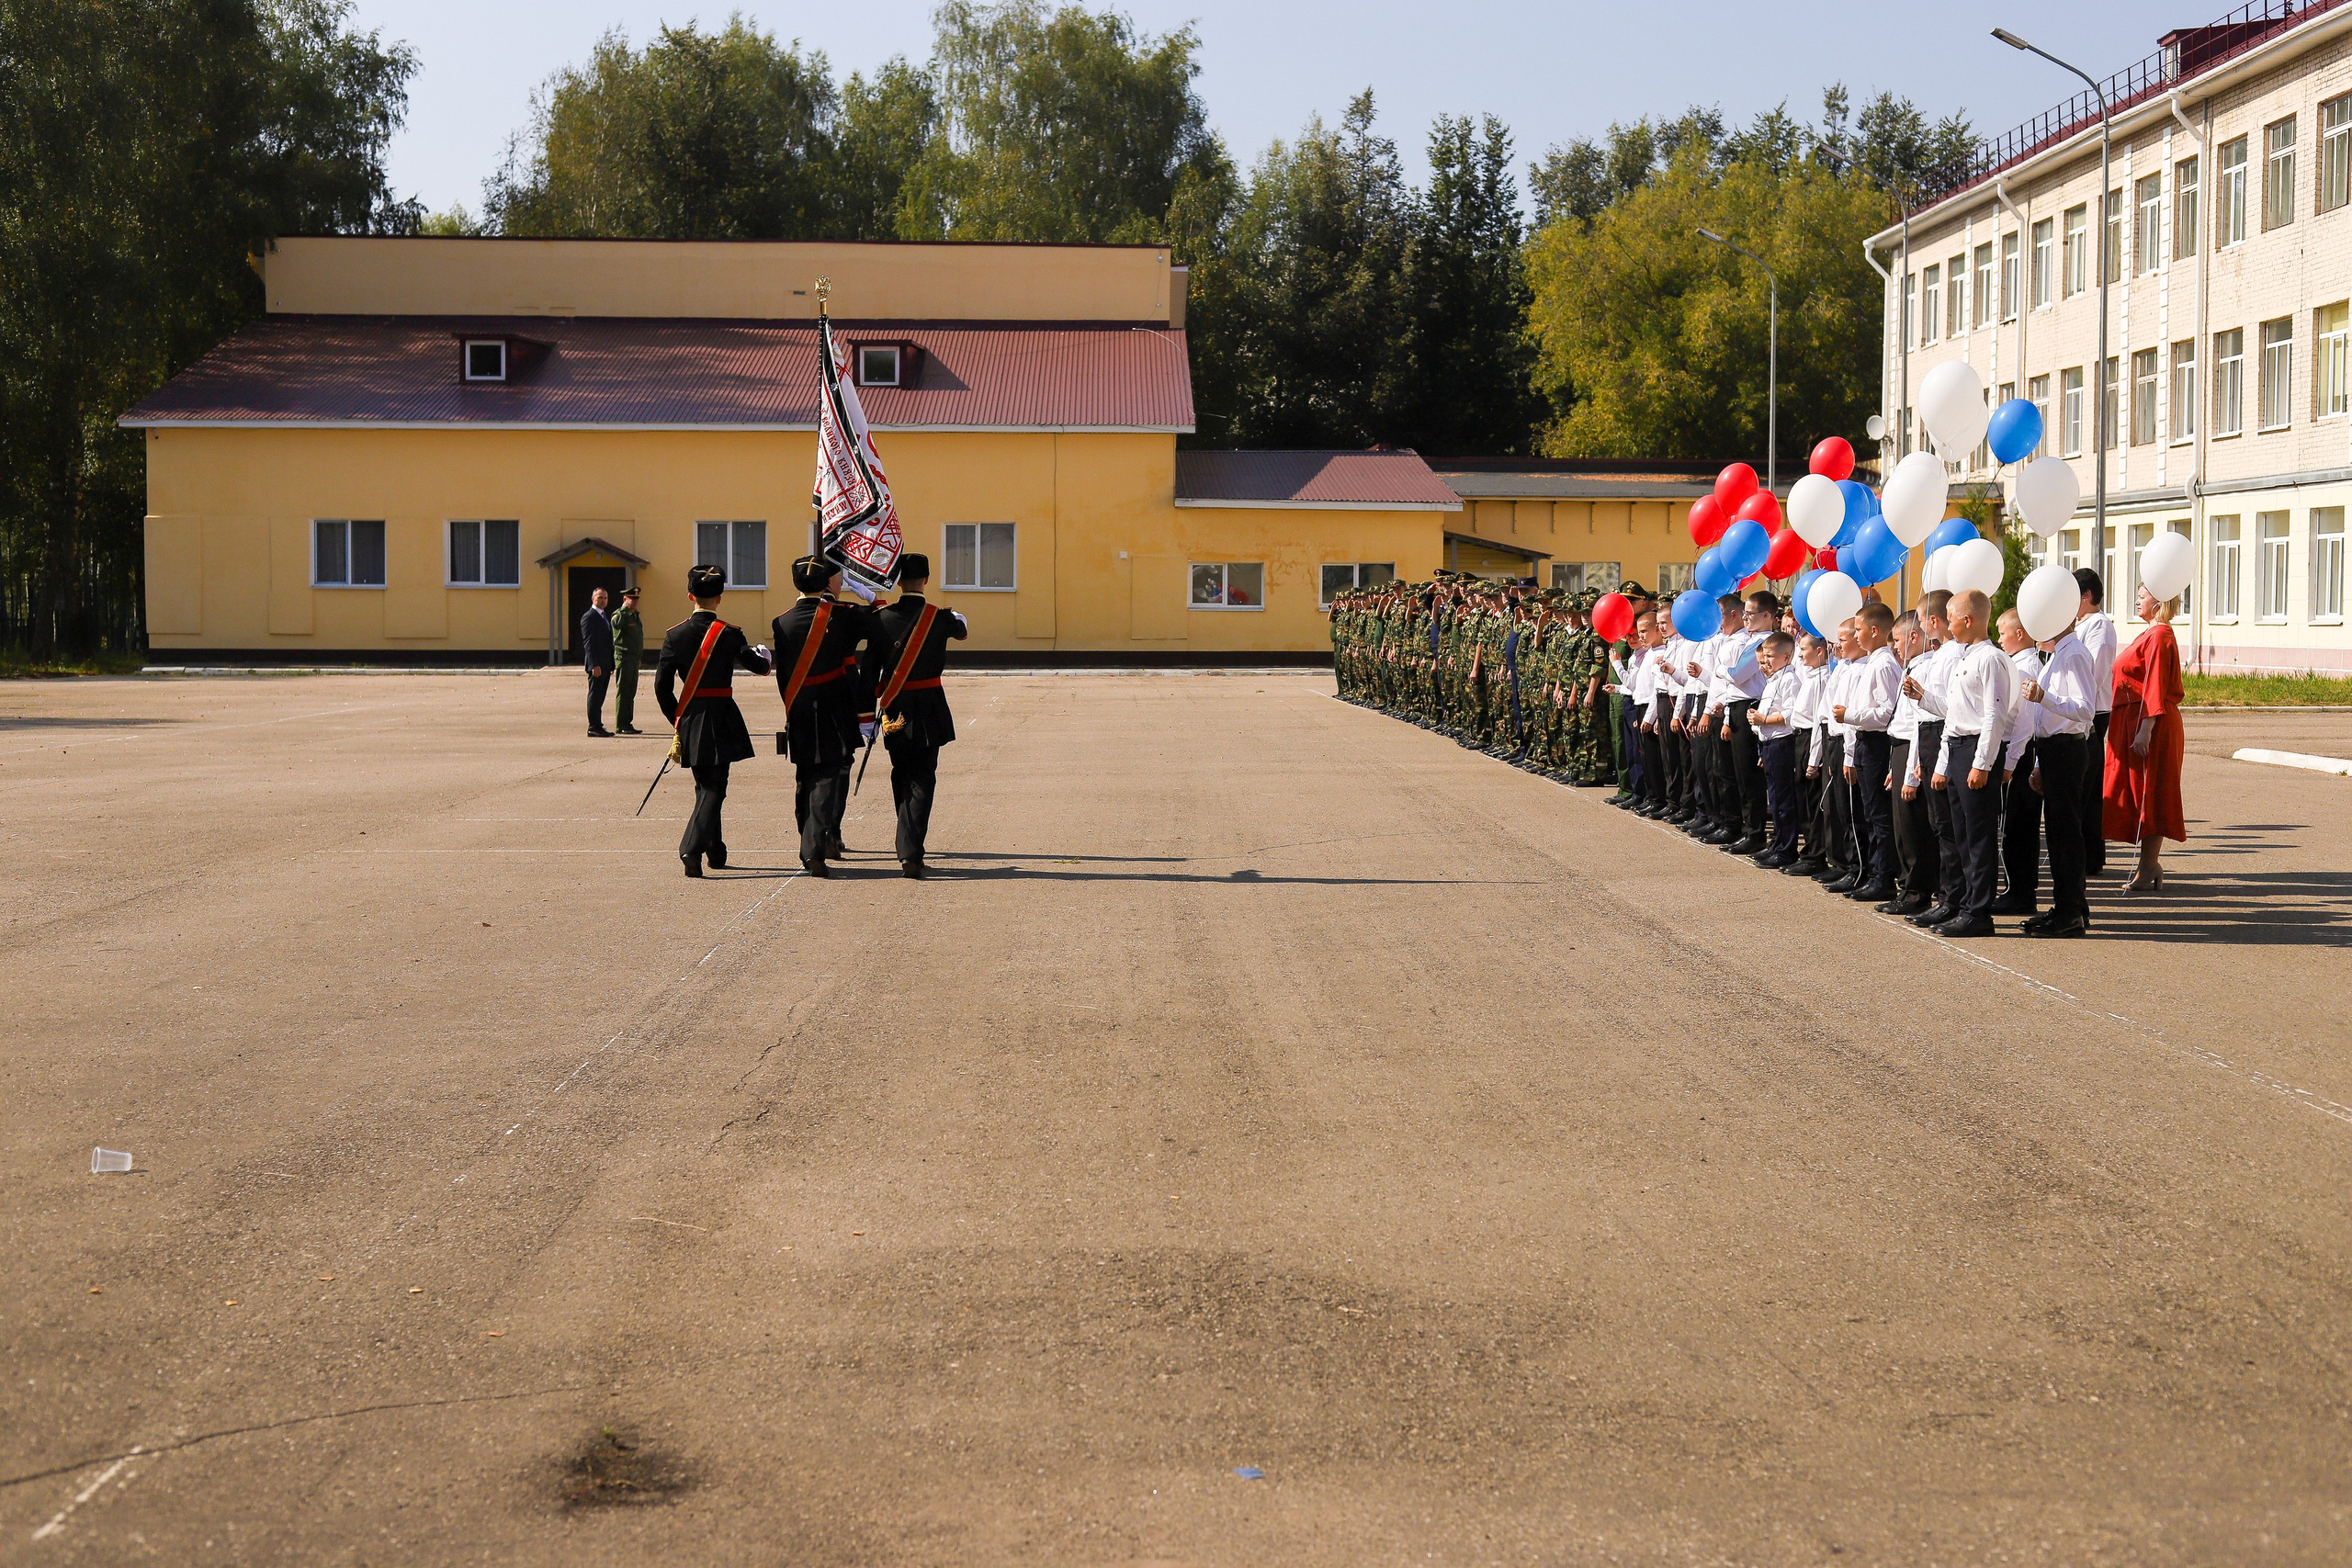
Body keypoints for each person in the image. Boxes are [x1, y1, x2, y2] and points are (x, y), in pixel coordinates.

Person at [654, 565, 774, 877]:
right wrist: (766, 658)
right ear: (719, 598)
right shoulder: (730, 633)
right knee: (714, 788)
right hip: (721, 713)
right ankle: (691, 849)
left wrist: (677, 720)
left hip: (692, 715)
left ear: (690, 595)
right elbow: (759, 667)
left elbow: (662, 687)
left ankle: (715, 850)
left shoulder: (674, 635)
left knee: (706, 785)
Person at [771, 556, 881, 878]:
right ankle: (817, 845)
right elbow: (881, 620)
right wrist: (871, 595)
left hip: (800, 707)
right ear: (827, 583)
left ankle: (810, 835)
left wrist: (790, 706)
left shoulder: (782, 621)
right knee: (830, 776)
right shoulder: (843, 615)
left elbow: (784, 675)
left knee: (805, 775)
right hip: (835, 706)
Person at [1926, 588, 2017, 937]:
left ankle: (1979, 913)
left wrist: (1982, 763)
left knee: (1979, 837)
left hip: (1977, 749)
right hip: (1958, 748)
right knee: (1961, 834)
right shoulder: (1965, 657)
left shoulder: (1990, 659)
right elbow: (1955, 716)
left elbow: (1994, 716)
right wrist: (1943, 764)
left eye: (1952, 617)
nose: (1948, 624)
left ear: (1969, 619)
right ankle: (1965, 904)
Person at [873, 554, 969, 878]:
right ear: (926, 580)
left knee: (901, 771)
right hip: (929, 706)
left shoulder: (882, 618)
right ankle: (911, 850)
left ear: (898, 580)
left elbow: (869, 668)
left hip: (895, 706)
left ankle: (907, 843)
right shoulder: (940, 618)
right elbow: (961, 630)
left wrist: (863, 713)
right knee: (924, 776)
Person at [2104, 581, 2187, 893]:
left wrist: (2146, 730)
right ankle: (2148, 866)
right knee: (2143, 794)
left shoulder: (2161, 635)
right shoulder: (2150, 633)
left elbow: (2155, 683)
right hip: (2138, 719)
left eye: (2143, 595)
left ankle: (2148, 867)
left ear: (2160, 599)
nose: (2137, 599)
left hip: (2150, 723)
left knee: (2152, 793)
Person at [2019, 604, 2097, 937]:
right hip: (2053, 750)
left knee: (2065, 834)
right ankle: (2070, 906)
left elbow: (2084, 709)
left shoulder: (2074, 653)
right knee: (2057, 832)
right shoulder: (2057, 654)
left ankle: (2070, 912)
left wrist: (2043, 696)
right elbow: (2045, 722)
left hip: (2067, 750)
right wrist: (2039, 763)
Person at [1836, 602, 1902, 902]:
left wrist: (1850, 715)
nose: (1856, 636)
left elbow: (1886, 713)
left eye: (1859, 630)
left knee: (1879, 815)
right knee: (1870, 813)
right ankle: (1875, 872)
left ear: (1875, 631)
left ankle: (1884, 877)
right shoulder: (1873, 661)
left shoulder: (1885, 664)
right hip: (1864, 741)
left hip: (1877, 743)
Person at [1992, 609, 2047, 918]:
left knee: (2018, 826)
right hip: (2016, 750)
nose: (1999, 639)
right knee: (2013, 826)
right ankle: (2016, 888)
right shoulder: (2017, 664)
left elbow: (2025, 723)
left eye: (2003, 633)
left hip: (2020, 752)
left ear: (2020, 634)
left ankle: (2021, 892)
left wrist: (2011, 762)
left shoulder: (2025, 668)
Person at [2072, 569, 2117, 877]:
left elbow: (2094, 672)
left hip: (2092, 713)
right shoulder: (2080, 624)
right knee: (2081, 787)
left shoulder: (2099, 626)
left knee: (2087, 788)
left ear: (2086, 596)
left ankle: (2090, 856)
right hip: (2078, 710)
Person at [1747, 631, 1804, 868]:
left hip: (1783, 742)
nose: (1766, 662)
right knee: (1776, 798)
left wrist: (1764, 720)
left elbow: (1791, 714)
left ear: (1787, 656)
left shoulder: (1790, 679)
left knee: (1784, 799)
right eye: (1765, 656)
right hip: (1770, 743)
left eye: (1771, 656)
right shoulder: (1773, 680)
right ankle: (1777, 843)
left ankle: (1786, 849)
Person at [581, 585, 615, 738]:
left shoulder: (603, 616)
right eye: (600, 597)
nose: (603, 600)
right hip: (597, 665)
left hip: (605, 664)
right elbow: (589, 643)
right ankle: (593, 726)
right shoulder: (589, 617)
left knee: (600, 696)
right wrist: (594, 664)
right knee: (595, 696)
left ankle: (598, 724)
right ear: (593, 598)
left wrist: (611, 664)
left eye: (605, 598)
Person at [611, 585, 645, 734]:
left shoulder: (635, 616)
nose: (635, 601)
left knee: (631, 692)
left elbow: (636, 638)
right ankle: (621, 724)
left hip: (633, 659)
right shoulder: (620, 614)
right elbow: (615, 624)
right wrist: (624, 609)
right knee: (623, 692)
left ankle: (627, 723)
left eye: (636, 598)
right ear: (625, 599)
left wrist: (638, 658)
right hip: (623, 658)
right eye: (632, 598)